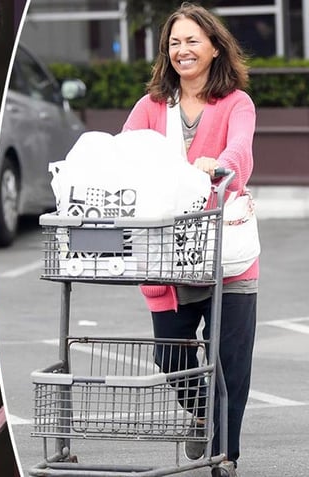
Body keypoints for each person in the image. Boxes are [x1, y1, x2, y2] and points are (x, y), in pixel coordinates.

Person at [122, 3, 256, 475]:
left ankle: (227, 456)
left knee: (231, 366)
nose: (183, 50)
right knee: (172, 357)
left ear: (215, 47)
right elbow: (126, 155)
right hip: (167, 258)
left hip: (227, 253)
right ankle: (201, 414)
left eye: (193, 41)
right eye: (175, 42)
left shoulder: (236, 102)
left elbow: (240, 148)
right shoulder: (151, 107)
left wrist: (221, 166)